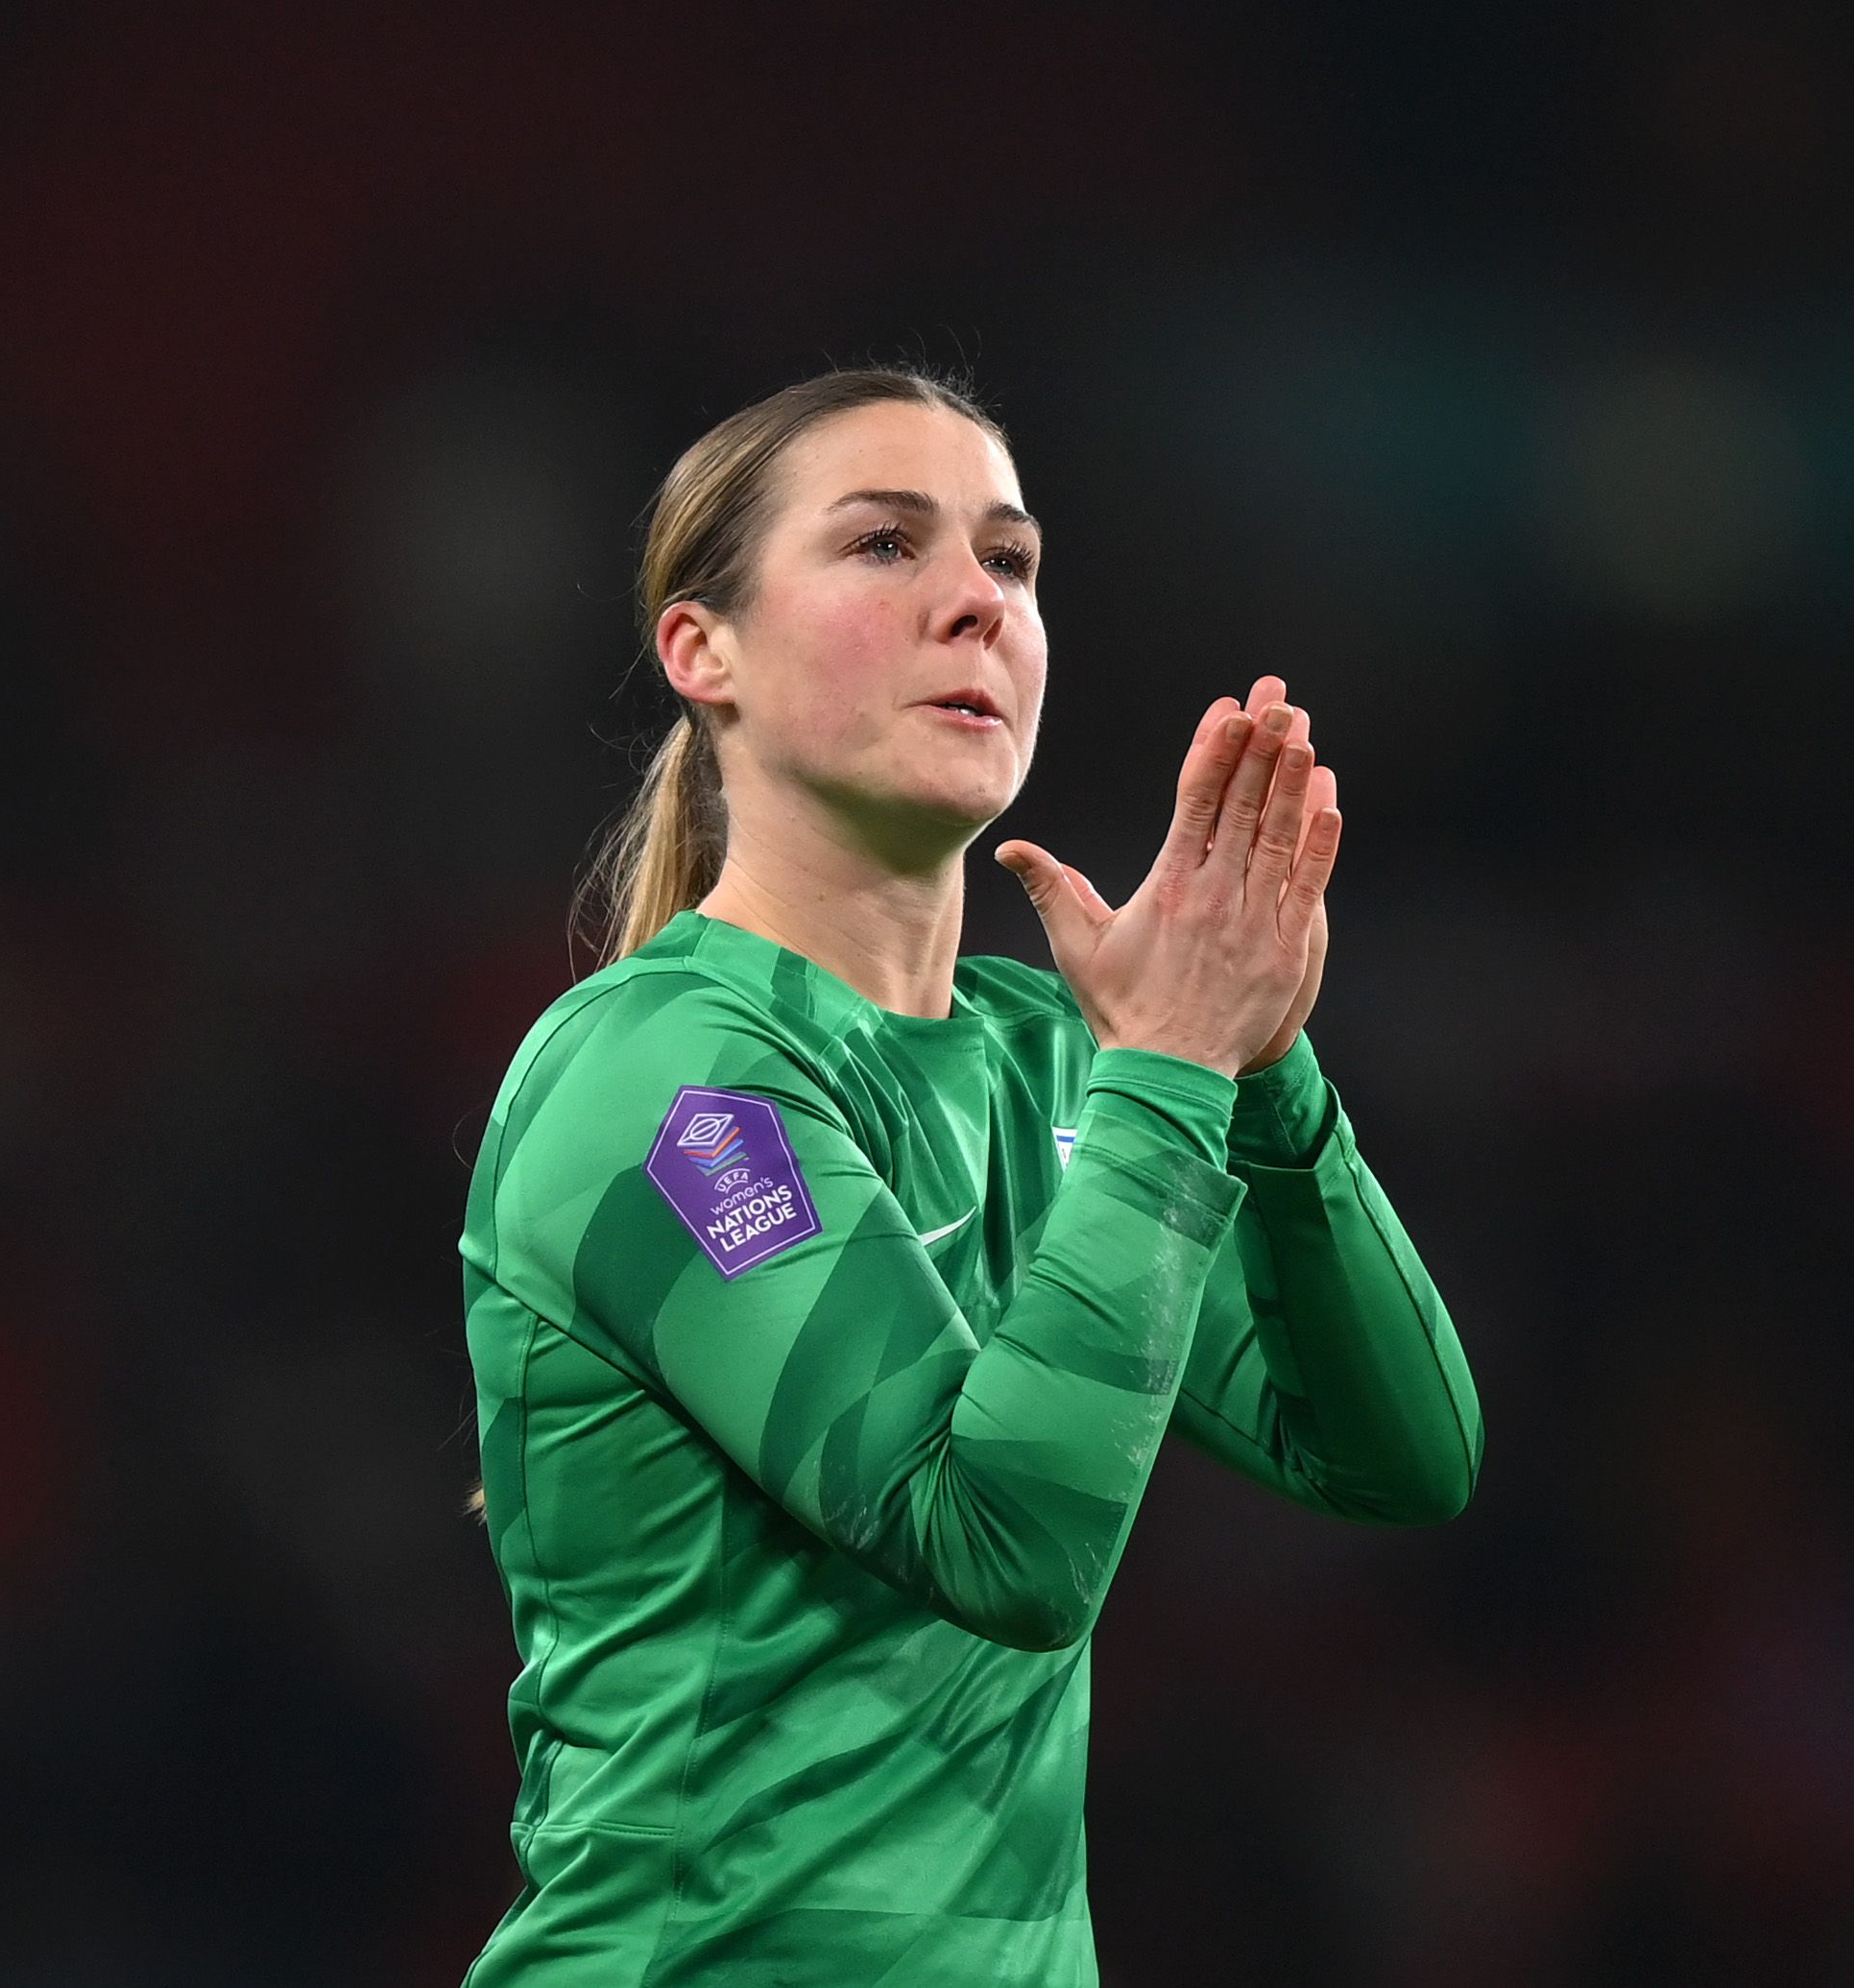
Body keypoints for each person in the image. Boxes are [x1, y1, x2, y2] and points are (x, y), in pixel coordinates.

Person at [458, 367, 1481, 1984]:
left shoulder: (1054, 1062)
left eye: (1008, 561)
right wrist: (1168, 1067)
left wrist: (1260, 1064)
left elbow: (1398, 1459)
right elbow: (1000, 1543)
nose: (972, 605)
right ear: (697, 651)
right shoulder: (662, 1077)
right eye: (882, 545)